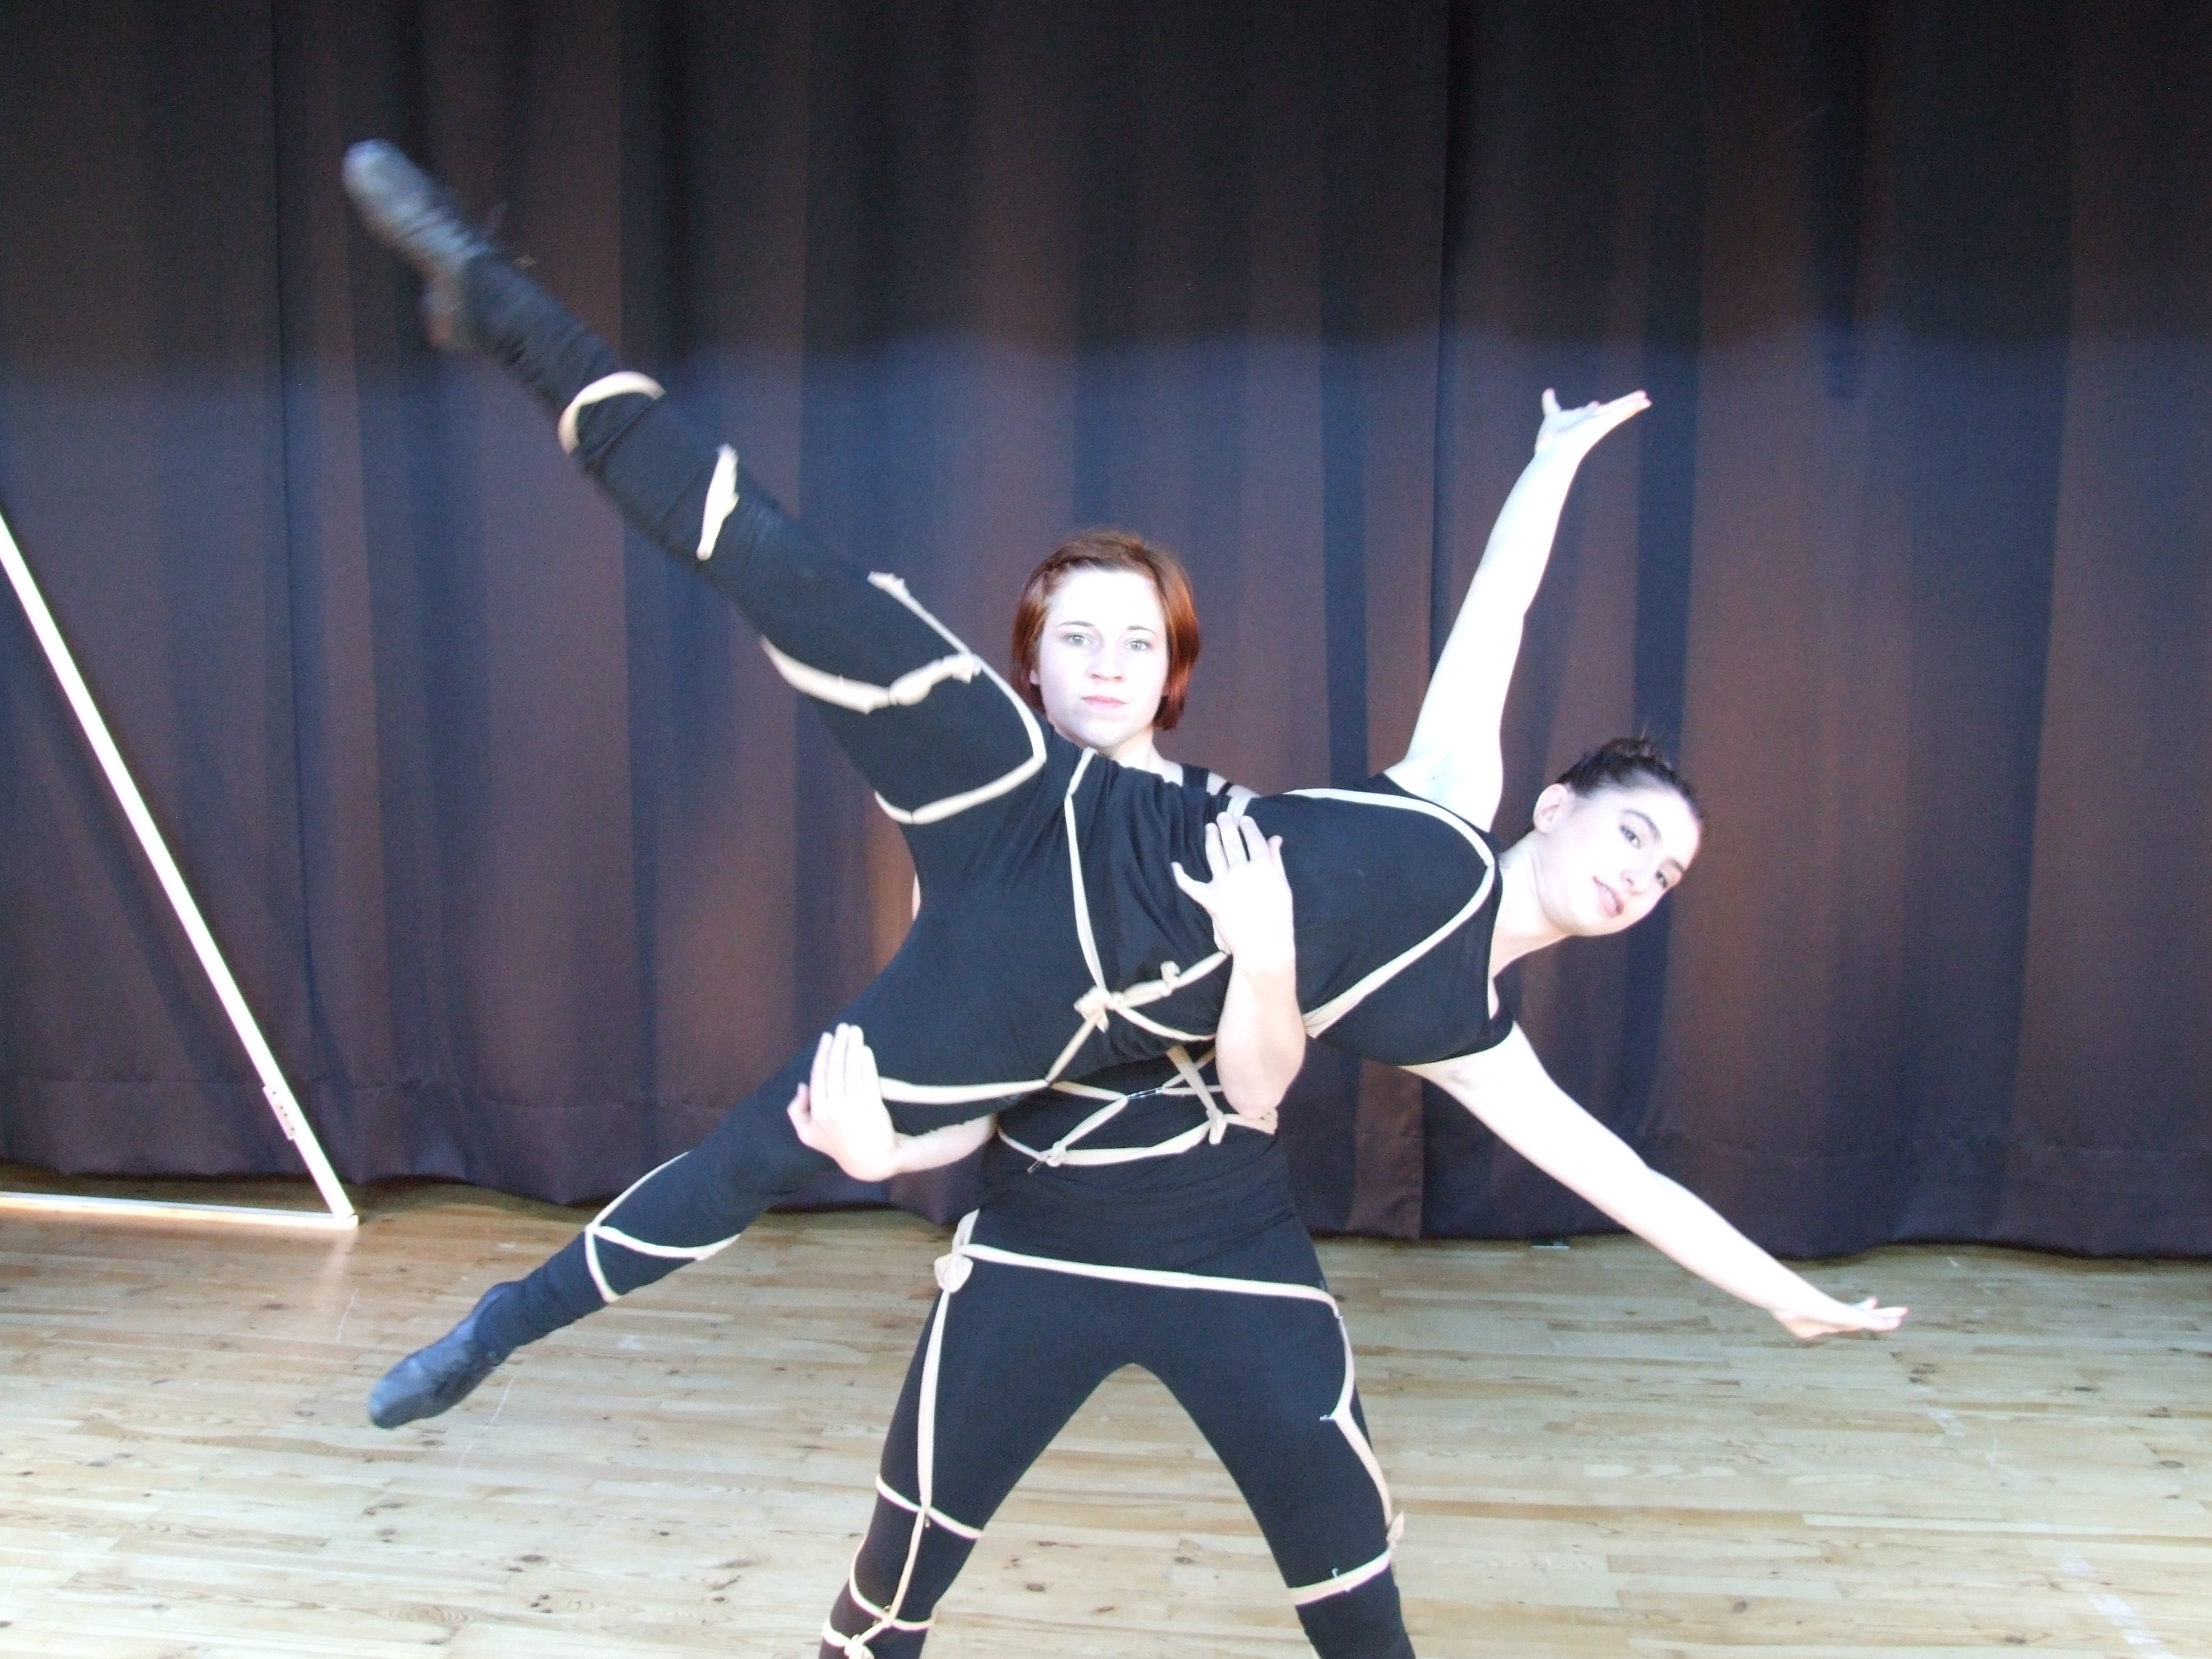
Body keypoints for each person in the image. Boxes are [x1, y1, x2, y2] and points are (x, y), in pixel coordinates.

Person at [342, 139, 1904, 1653]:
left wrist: (1784, 1298)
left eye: (1666, 872)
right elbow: (1499, 609)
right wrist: (1552, 464)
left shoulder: (1465, 1031)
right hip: (1043, 813)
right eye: (1632, 833)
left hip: (1037, 1001)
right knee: (787, 571)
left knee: (764, 1146)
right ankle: (497, 299)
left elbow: (1619, 1183)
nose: (1639, 873)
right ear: (1557, 805)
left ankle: (501, 1325)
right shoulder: (1446, 796)